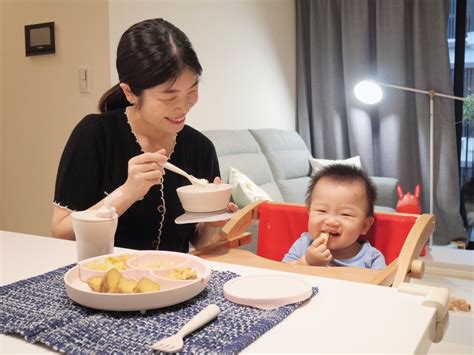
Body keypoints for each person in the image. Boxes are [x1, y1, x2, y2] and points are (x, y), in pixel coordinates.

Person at [52, 18, 236, 252]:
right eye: (168, 97)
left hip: (175, 281)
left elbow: (197, 241)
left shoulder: (201, 148)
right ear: (129, 92)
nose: (183, 106)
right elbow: (60, 232)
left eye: (192, 90)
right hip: (106, 281)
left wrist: (213, 223)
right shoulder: (95, 135)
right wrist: (127, 192)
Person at [282, 164, 386, 269]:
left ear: (364, 226)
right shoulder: (303, 244)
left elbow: (382, 284)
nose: (331, 221)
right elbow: (282, 272)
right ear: (309, 213)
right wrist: (306, 262)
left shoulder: (372, 259)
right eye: (322, 210)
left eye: (345, 214)